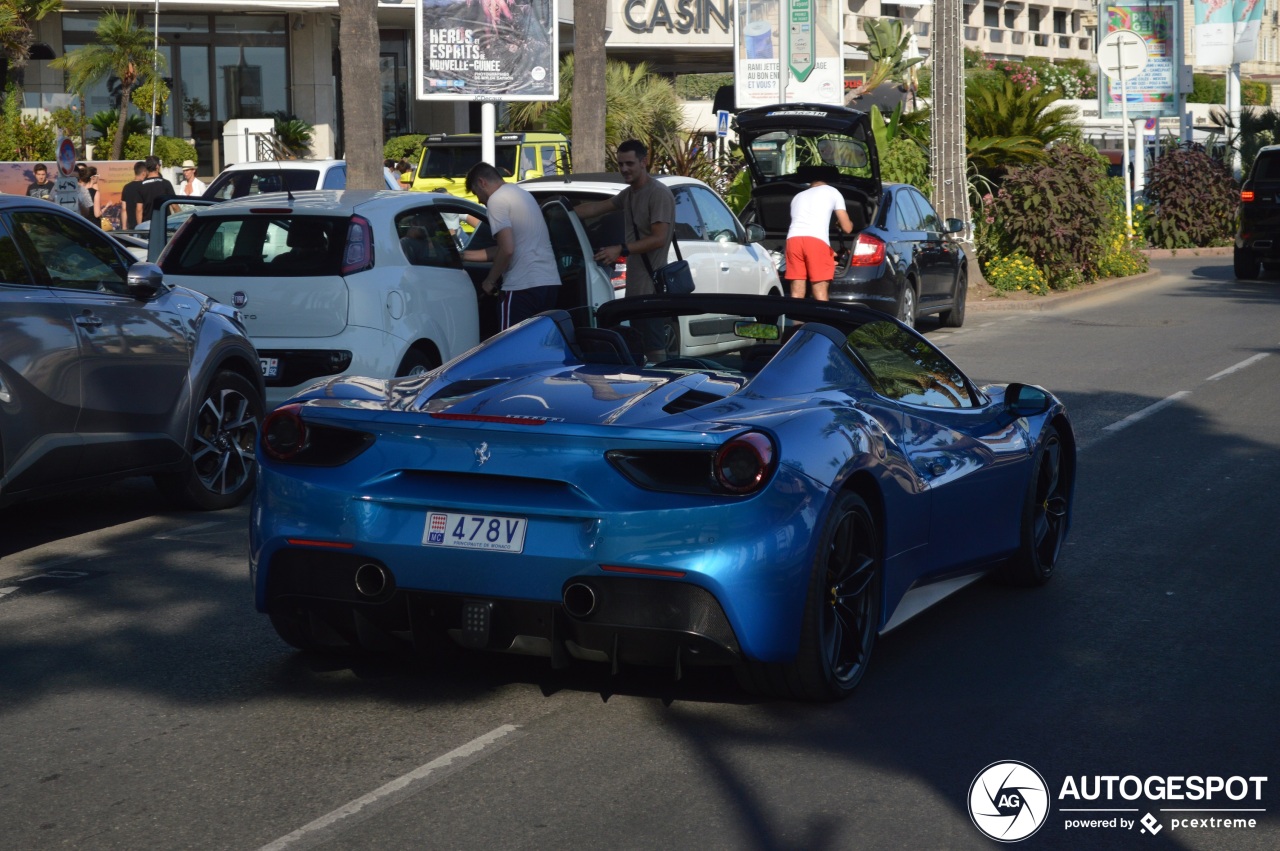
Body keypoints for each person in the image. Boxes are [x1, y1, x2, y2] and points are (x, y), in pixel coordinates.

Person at [573, 139, 675, 364]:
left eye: (629, 163)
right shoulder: (629, 194)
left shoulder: (658, 193)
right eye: (620, 164)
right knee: (638, 348)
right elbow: (596, 208)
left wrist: (622, 249)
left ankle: (662, 390)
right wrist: (560, 212)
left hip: (652, 289)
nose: (624, 169)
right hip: (636, 289)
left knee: (655, 350)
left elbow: (659, 238)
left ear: (643, 162)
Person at [464, 161, 560, 330]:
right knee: (539, 344)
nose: (479, 200)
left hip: (521, 286)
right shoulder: (523, 195)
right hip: (548, 283)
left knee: (512, 345)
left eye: (475, 193)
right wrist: (464, 255)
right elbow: (507, 247)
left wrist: (490, 280)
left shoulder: (496, 200)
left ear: (481, 183)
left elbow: (507, 249)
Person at [784, 166, 853, 301]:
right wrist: (848, 223)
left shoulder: (798, 196)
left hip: (793, 241)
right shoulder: (833, 192)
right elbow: (847, 228)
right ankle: (823, 322)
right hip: (815, 241)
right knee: (820, 292)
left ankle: (797, 322)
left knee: (796, 294)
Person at [138, 156, 176, 224]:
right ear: (157, 166)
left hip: (147, 225)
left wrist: (140, 229)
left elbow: (139, 210)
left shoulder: (141, 186)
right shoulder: (166, 184)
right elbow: (174, 206)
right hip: (165, 224)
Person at [121, 161, 147, 229]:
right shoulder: (145, 186)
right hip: (144, 225)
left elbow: (124, 209)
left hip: (131, 226)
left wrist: (124, 227)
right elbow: (140, 209)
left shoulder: (126, 187)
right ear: (144, 173)